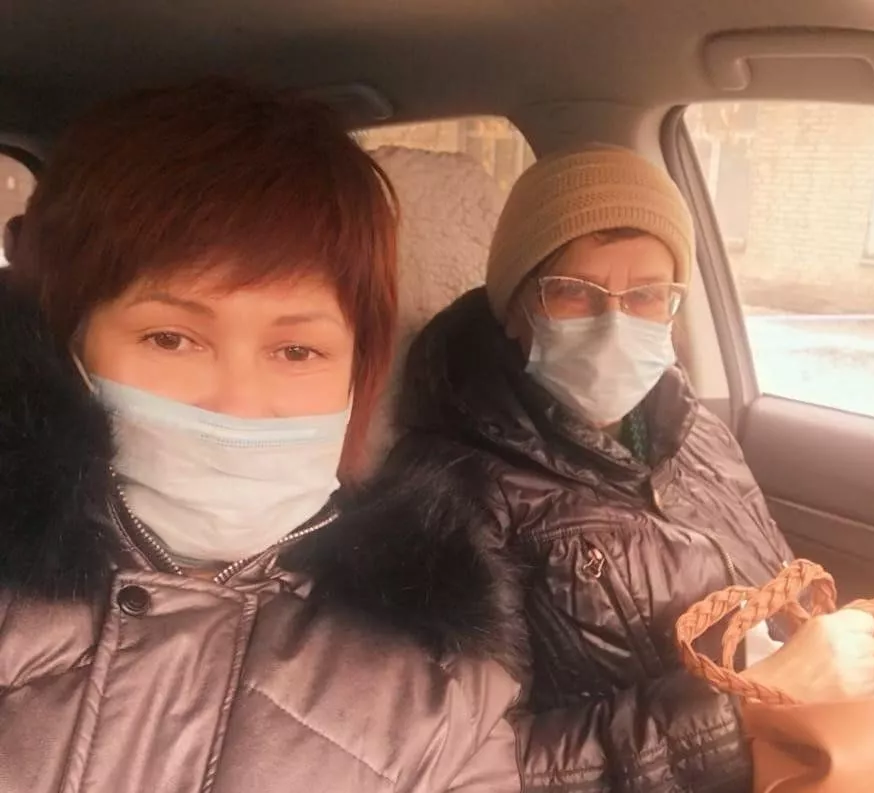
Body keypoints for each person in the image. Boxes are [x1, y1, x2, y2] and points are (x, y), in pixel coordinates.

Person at [0, 80, 525, 792]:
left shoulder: (444, 694)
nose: (239, 404)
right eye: (170, 338)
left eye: (297, 351)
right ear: (66, 344)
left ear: (357, 377)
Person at [384, 144, 874, 791]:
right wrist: (741, 711)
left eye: (648, 294)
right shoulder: (447, 495)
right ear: (514, 309)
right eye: (573, 291)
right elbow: (466, 770)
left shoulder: (694, 430)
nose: (614, 323)